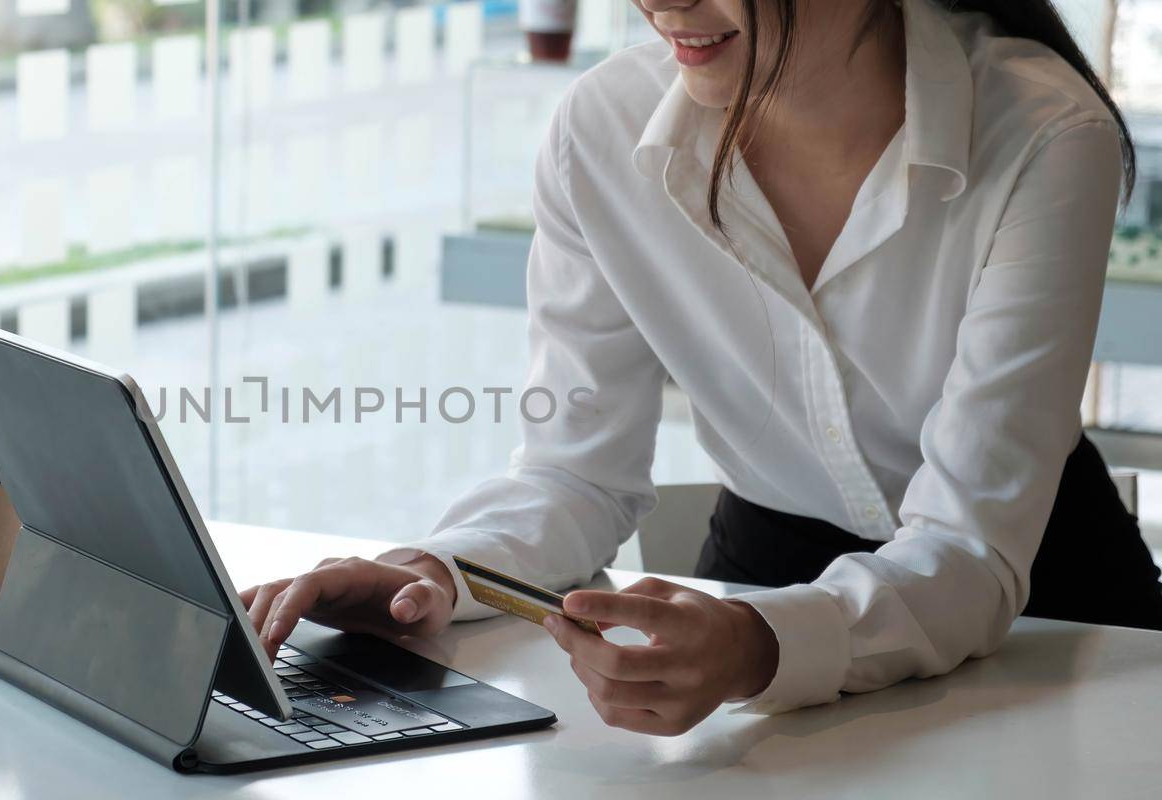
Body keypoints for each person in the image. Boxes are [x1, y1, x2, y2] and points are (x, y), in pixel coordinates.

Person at [241, 0, 1162, 736]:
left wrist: (761, 646)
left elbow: (966, 547)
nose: (659, 2)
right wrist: (430, 575)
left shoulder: (1041, 132)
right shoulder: (602, 132)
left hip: (1056, 630)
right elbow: (574, 474)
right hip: (756, 595)